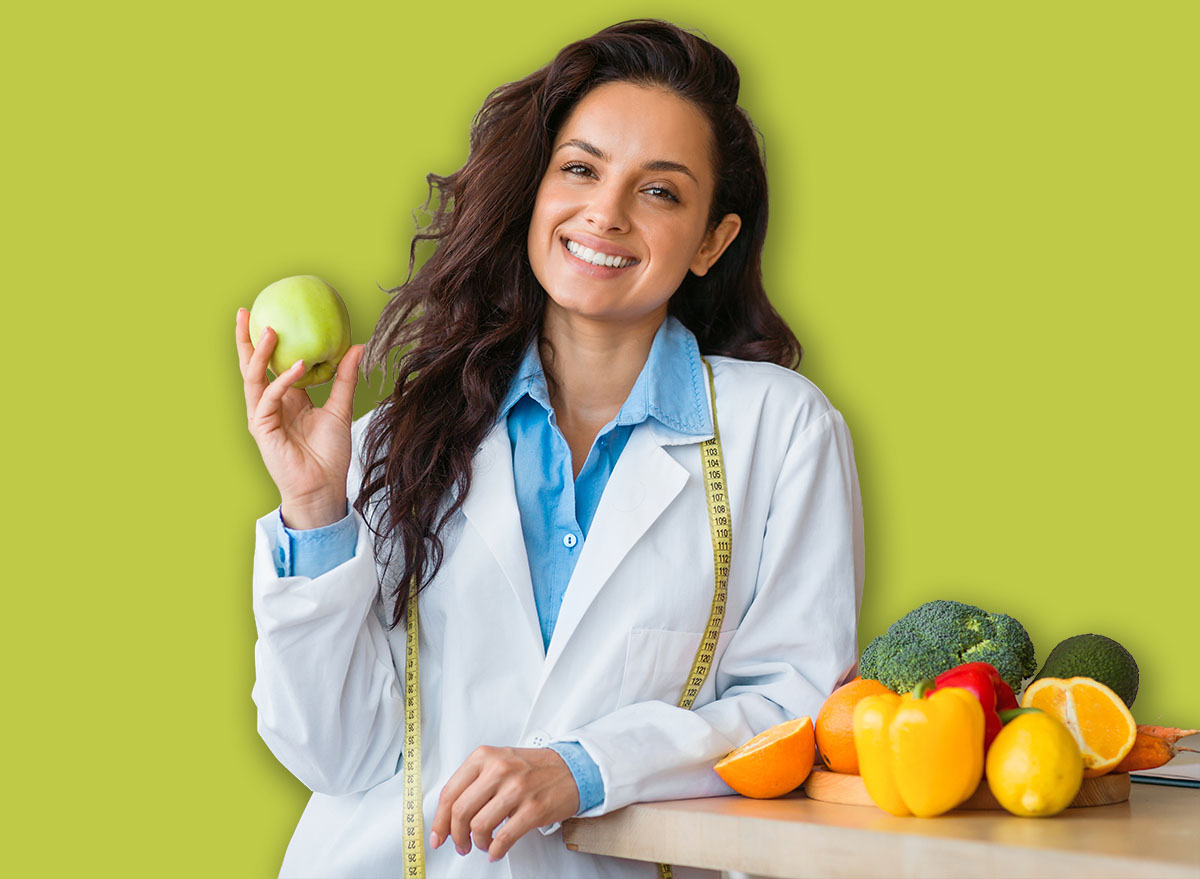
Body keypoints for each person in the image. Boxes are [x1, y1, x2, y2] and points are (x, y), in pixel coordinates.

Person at [236, 18, 864, 879]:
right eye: (580, 169)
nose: (605, 212)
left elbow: (793, 712)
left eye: (661, 192)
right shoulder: (400, 434)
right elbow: (332, 755)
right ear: (537, 192)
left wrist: (583, 766)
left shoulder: (782, 430)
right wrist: (314, 510)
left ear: (713, 240)